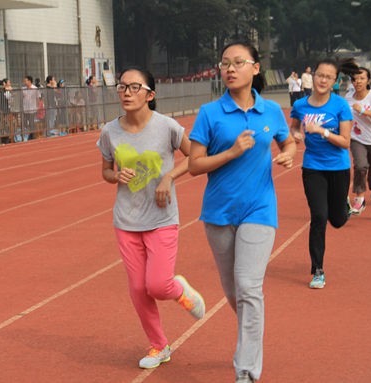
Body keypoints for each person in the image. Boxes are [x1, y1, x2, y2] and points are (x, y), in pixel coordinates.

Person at [189, 40, 296, 383]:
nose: (230, 69)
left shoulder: (271, 111)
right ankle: (251, 331)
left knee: (249, 287)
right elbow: (194, 165)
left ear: (255, 68)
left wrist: (289, 152)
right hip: (218, 213)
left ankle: (246, 370)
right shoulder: (209, 113)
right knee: (234, 292)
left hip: (259, 209)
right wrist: (232, 152)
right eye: (224, 64)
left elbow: (287, 140)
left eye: (237, 62)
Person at [96, 67, 205, 370]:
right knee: (138, 289)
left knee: (158, 285)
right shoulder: (110, 131)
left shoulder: (167, 127)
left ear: (150, 94)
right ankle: (159, 345)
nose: (127, 92)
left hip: (161, 218)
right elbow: (105, 171)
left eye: (134, 87)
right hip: (126, 222)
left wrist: (169, 177)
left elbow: (194, 157)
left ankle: (179, 289)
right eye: (122, 87)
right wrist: (115, 175)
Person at [290, 57, 361, 289]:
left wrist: (321, 130)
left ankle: (345, 208)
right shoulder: (300, 105)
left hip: (339, 168)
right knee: (319, 216)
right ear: (312, 76)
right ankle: (317, 270)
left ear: (335, 81)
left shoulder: (340, 105)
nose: (323, 80)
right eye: (319, 75)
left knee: (337, 221)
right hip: (312, 168)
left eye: (328, 77)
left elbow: (345, 142)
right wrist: (297, 135)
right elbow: (293, 127)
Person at [345, 67, 371, 216]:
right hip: (357, 139)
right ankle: (360, 200)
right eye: (355, 79)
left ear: (368, 81)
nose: (358, 81)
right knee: (360, 165)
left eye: (362, 78)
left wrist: (362, 111)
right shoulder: (348, 97)